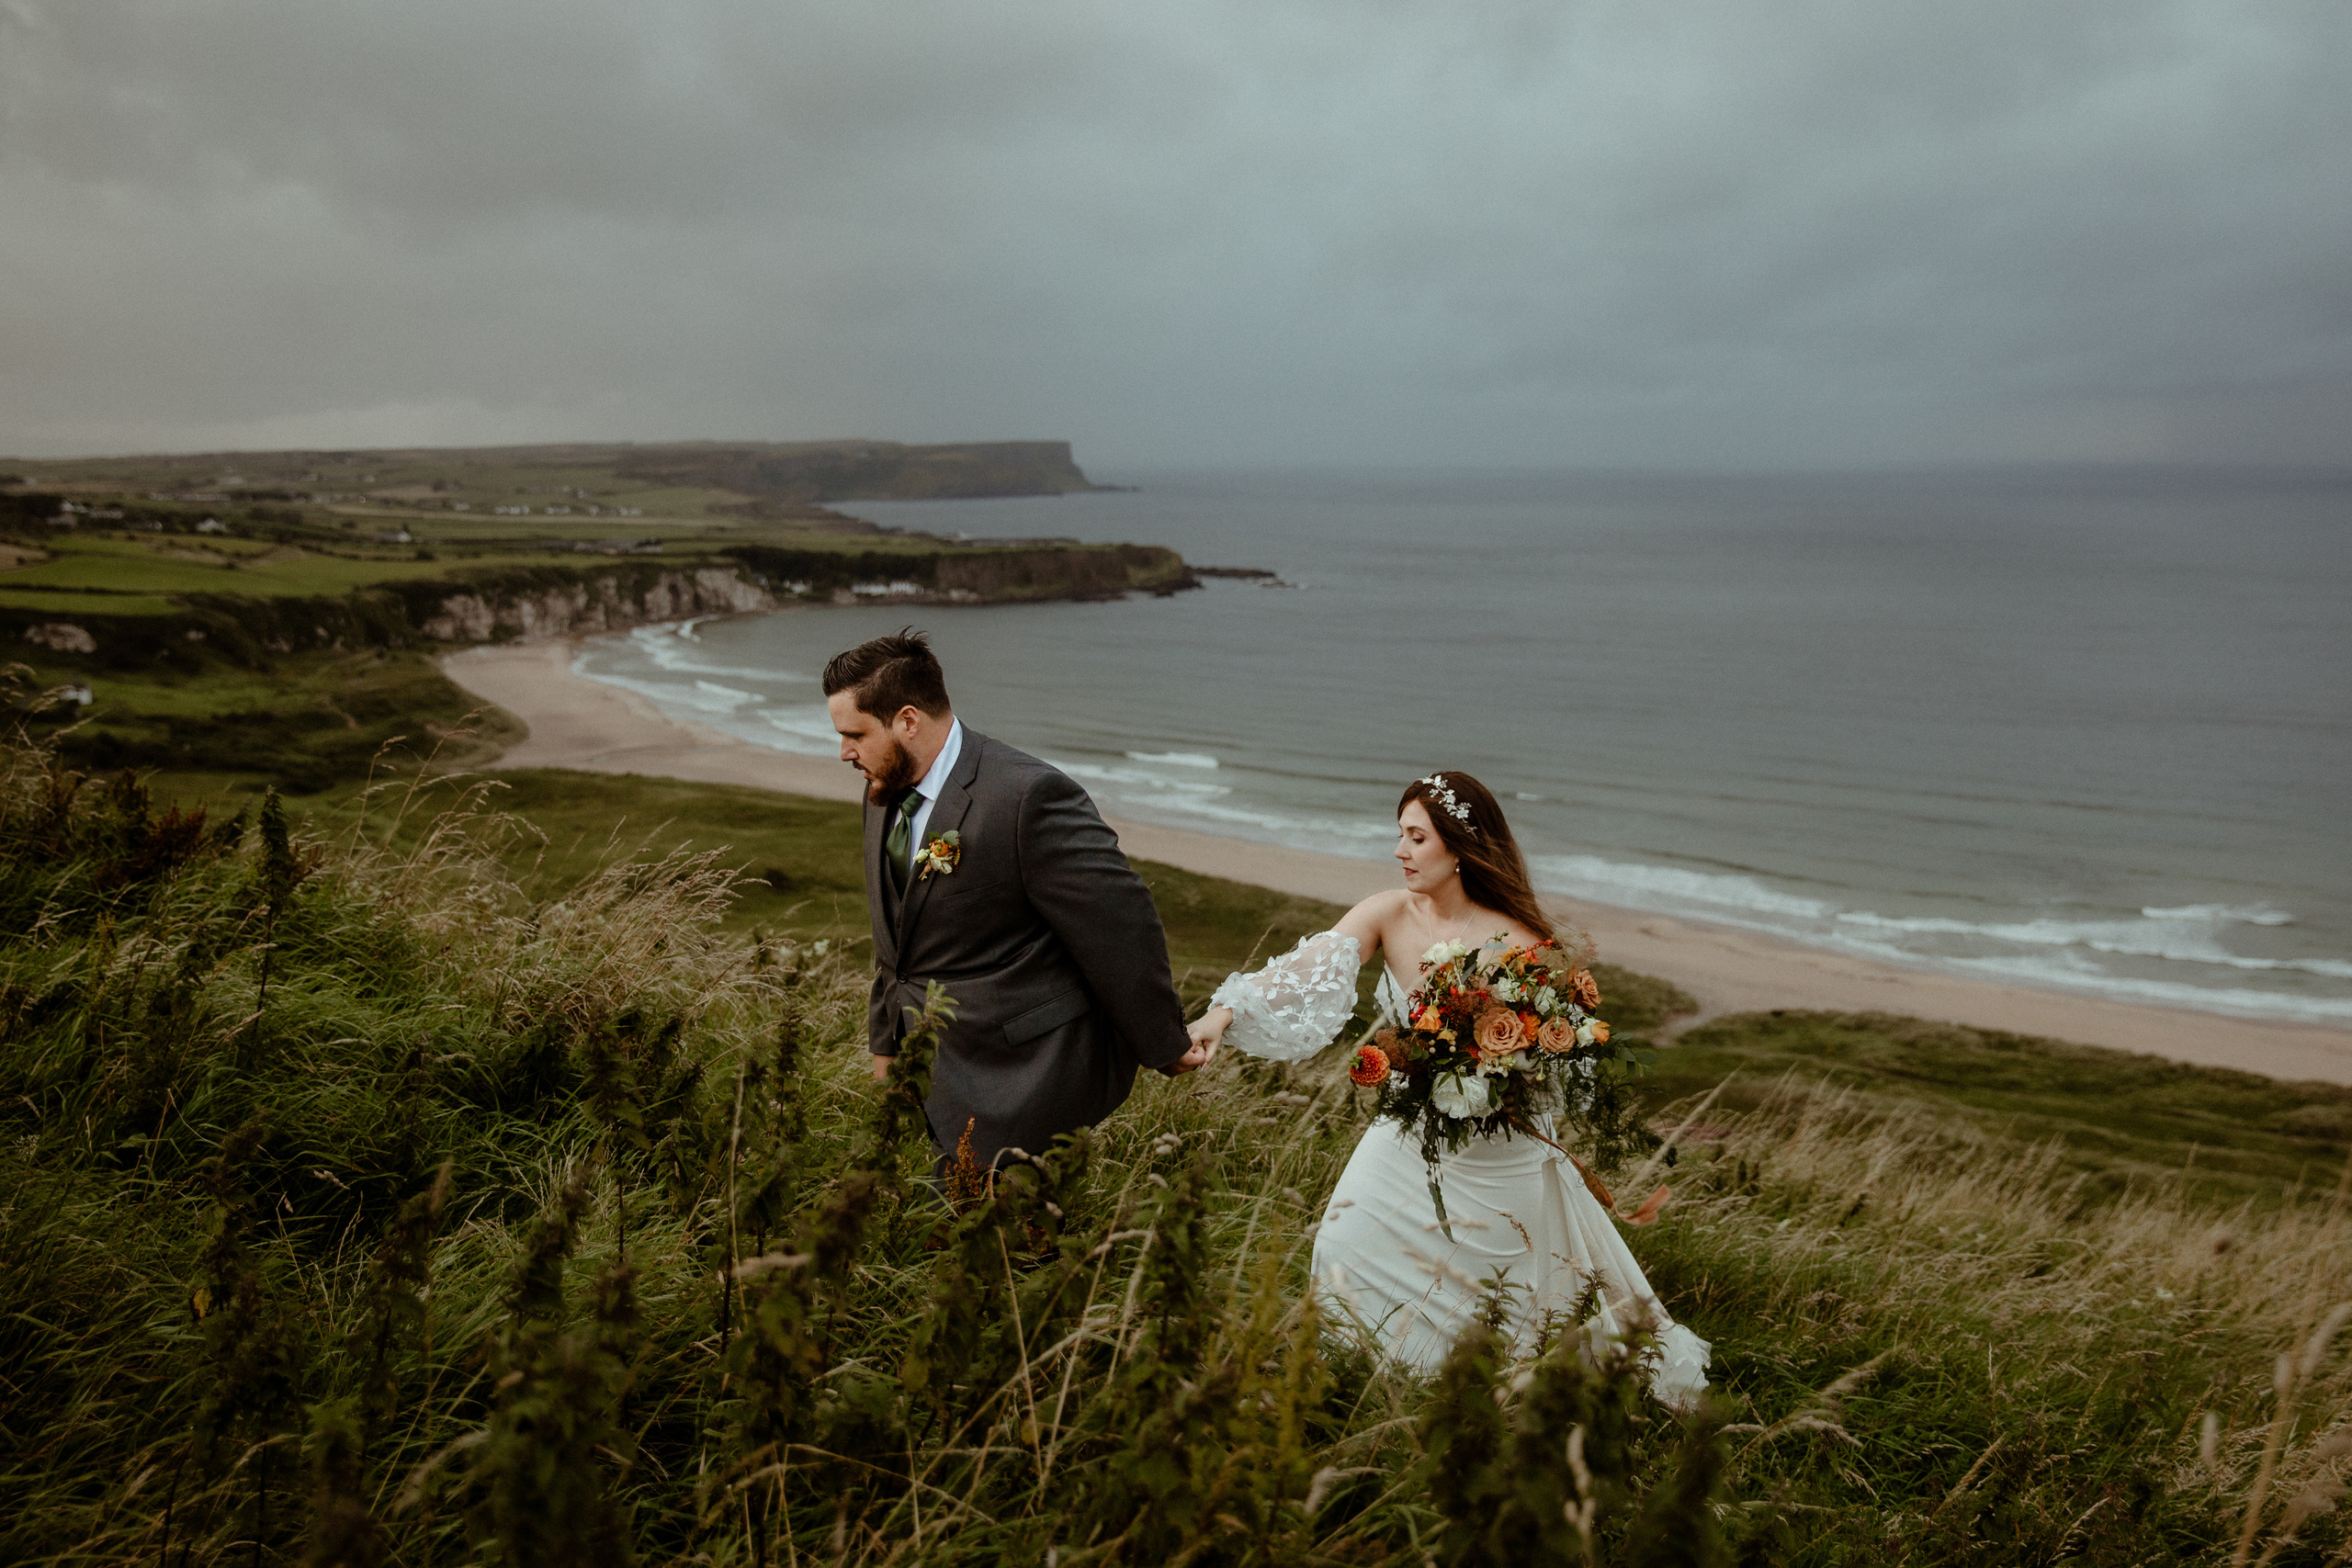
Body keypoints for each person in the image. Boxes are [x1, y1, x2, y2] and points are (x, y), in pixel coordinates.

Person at [1188, 771, 1708, 1406]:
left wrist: (1498, 1072)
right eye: (1399, 835)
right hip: (1407, 1129)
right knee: (1342, 1243)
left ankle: (1463, 1396)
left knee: (1500, 1290)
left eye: (1416, 837)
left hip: (1498, 1143)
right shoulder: (1386, 911)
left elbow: (1557, 1052)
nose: (1400, 851)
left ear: (1459, 847)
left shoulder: (1517, 939)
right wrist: (1221, 1015)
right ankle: (1358, 1385)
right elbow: (1302, 973)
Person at [825, 629, 1209, 1178]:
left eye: (854, 734)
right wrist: (886, 1048)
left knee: (1017, 1254)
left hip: (1020, 1079)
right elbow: (896, 941)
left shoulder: (1027, 796)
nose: (844, 752)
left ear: (908, 721)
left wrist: (1162, 1042)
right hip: (927, 1077)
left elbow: (1120, 924)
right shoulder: (882, 788)